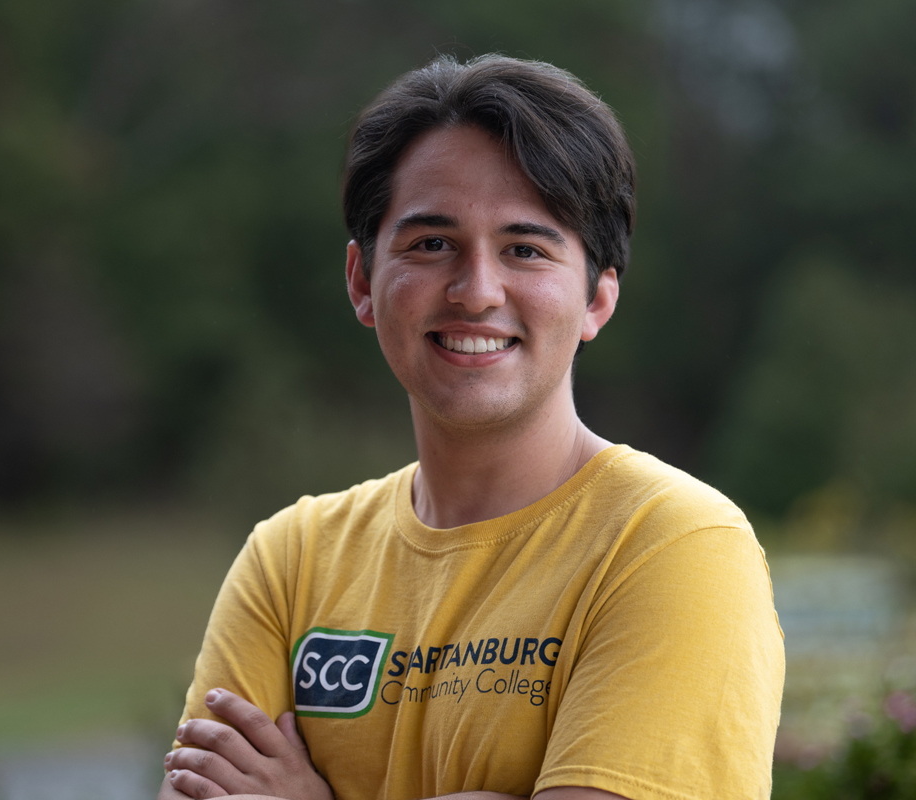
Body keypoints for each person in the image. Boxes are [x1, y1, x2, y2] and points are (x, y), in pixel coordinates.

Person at [156, 54, 784, 800]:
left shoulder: (670, 545)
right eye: (431, 244)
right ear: (361, 281)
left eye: (525, 249)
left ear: (597, 297)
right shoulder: (290, 563)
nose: (477, 291)